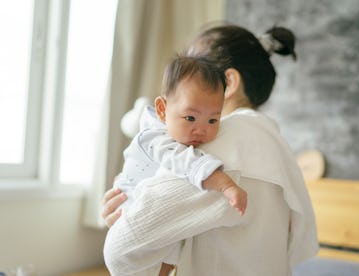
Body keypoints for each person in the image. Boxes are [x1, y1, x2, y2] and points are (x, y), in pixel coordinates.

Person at [102, 23, 319, 276]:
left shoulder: (222, 143)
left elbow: (122, 250)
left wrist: (124, 223)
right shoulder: (274, 143)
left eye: (196, 69)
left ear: (228, 81)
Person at [112, 55, 247, 216]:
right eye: (190, 118)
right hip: (126, 208)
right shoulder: (153, 138)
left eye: (212, 120)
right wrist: (226, 186)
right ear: (162, 110)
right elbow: (186, 162)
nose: (202, 130)